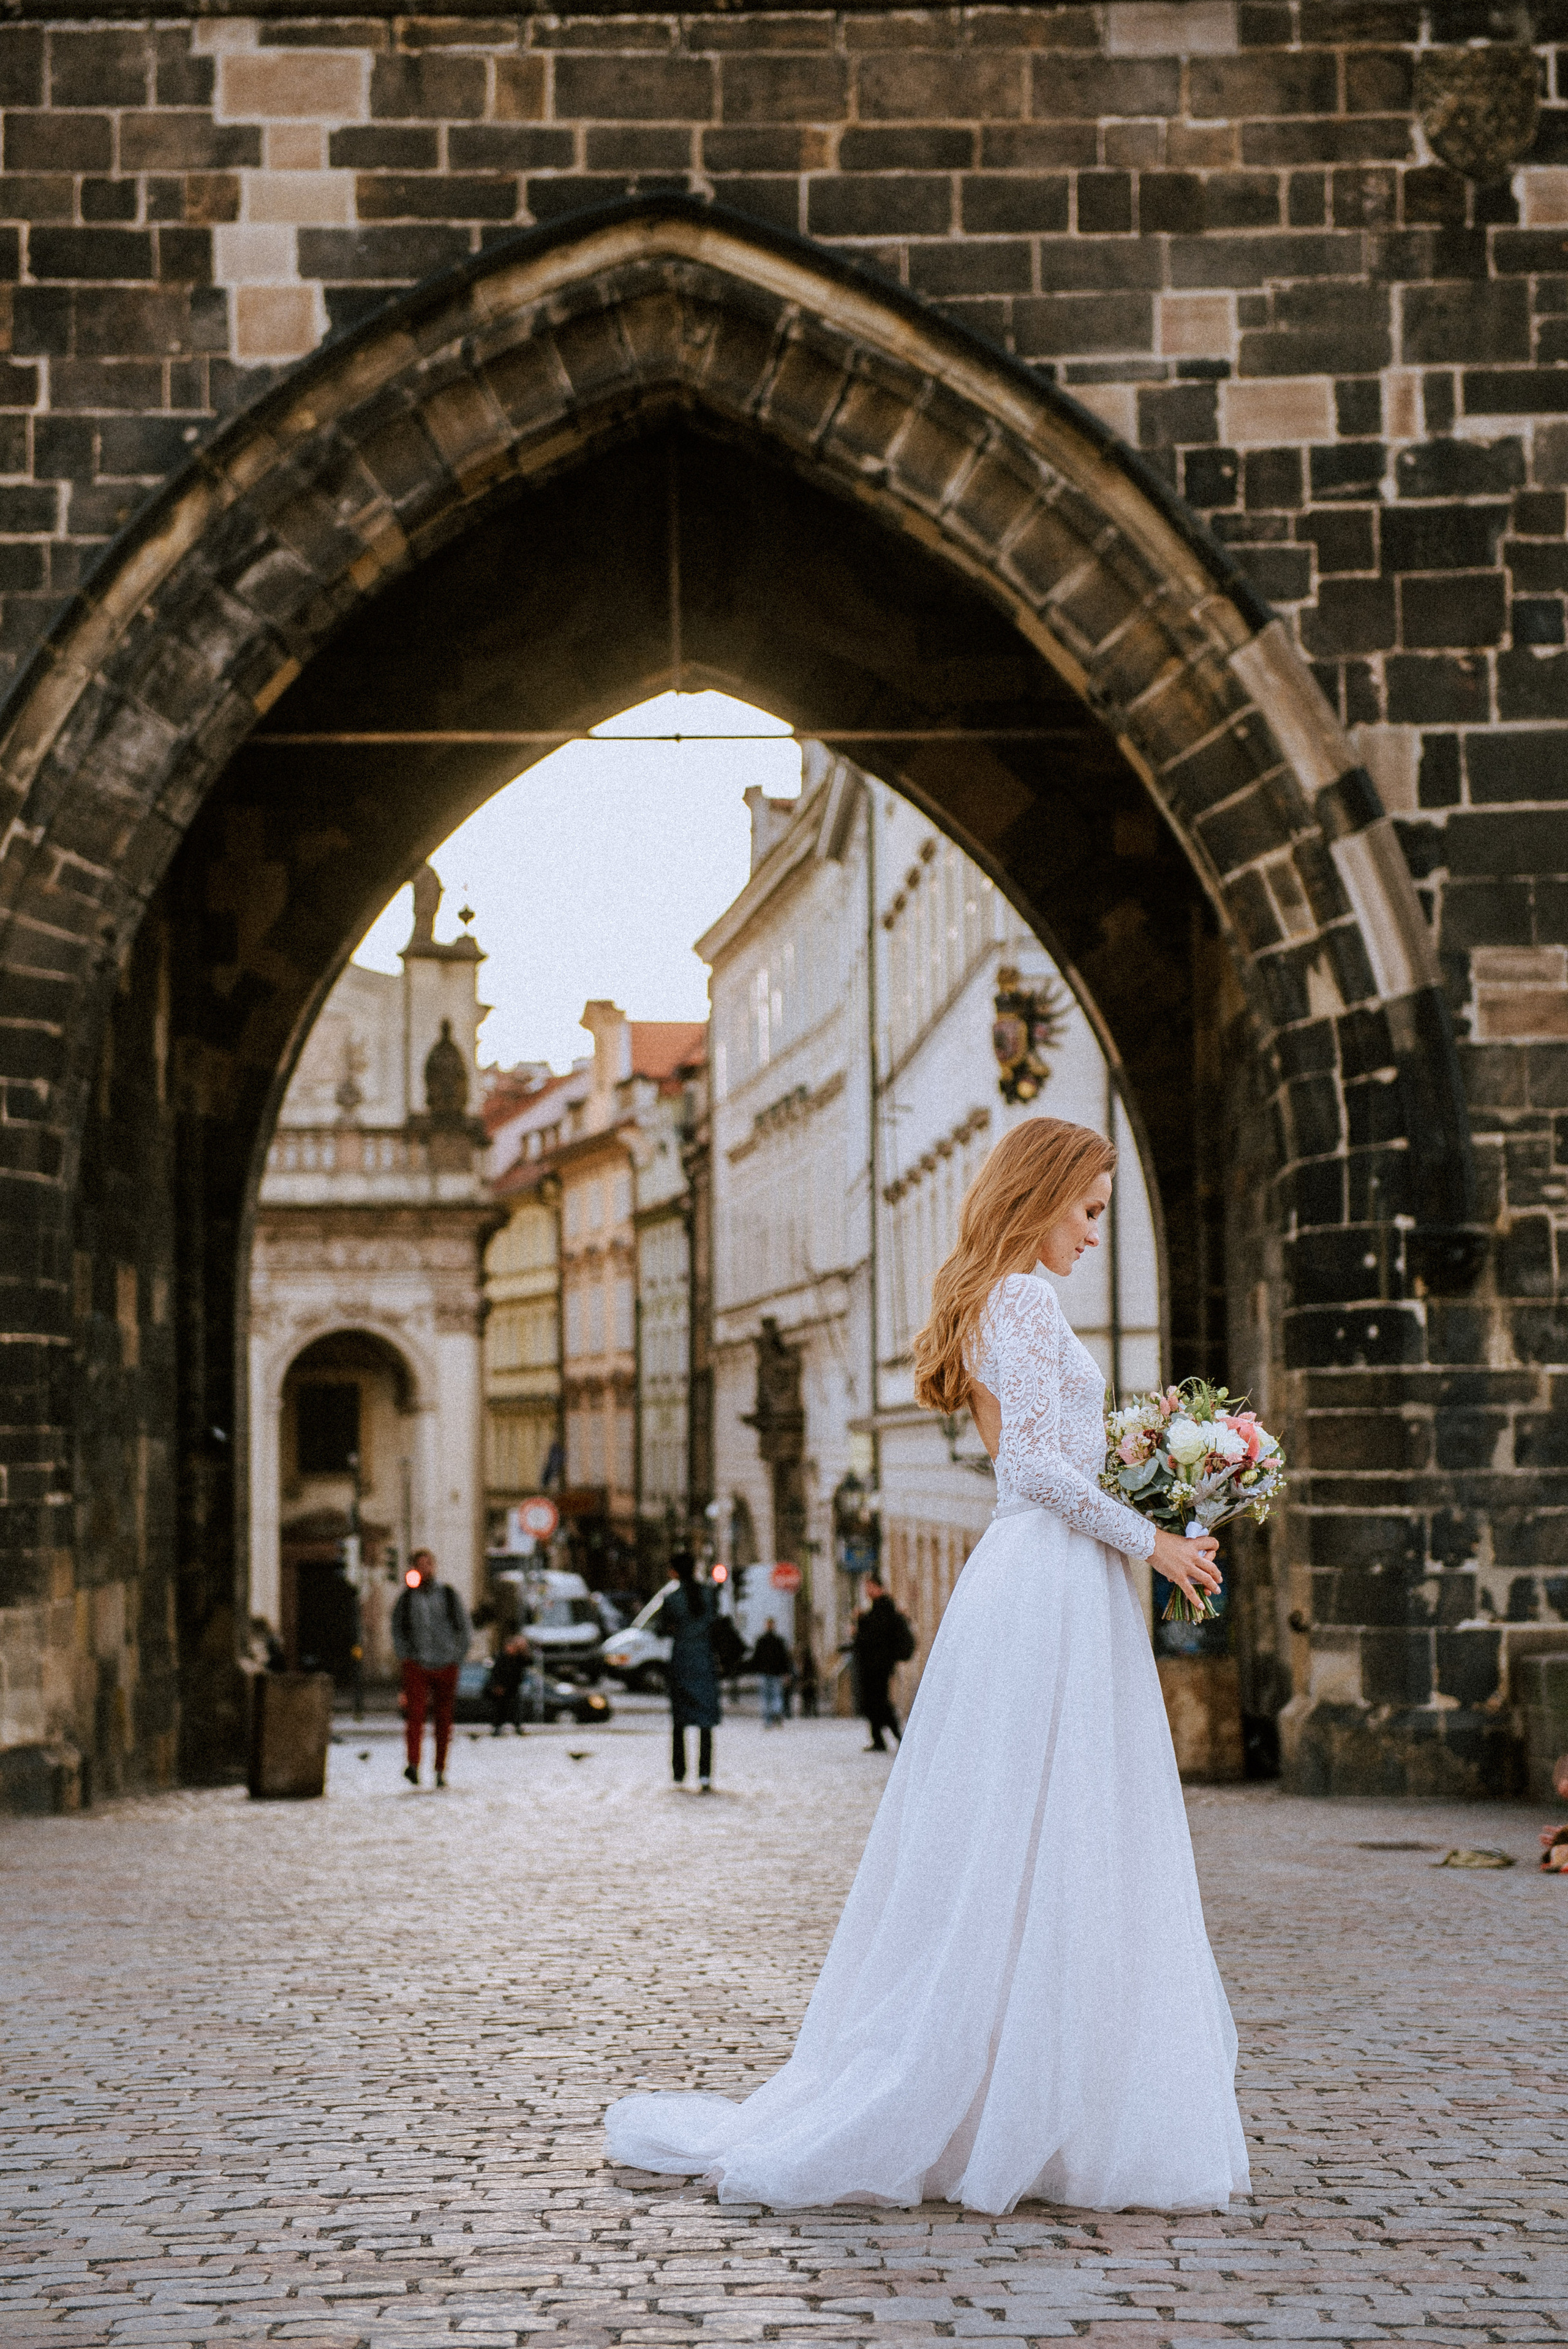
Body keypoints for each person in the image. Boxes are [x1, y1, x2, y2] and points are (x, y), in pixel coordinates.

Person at [606, 1116, 1246, 2217]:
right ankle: (1036, 2104)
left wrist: (1157, 1476)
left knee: (1019, 1826)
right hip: (1052, 1572)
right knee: (1066, 1819)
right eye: (1089, 1209)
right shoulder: (1026, 1298)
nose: (1096, 1232)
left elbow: (1044, 1455)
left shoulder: (994, 1296)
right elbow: (1040, 1466)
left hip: (1036, 1574)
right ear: (1039, 1195)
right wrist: (1160, 1540)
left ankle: (1008, 2089)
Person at [391, 1549, 472, 1788]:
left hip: (447, 1663)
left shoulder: (448, 1595)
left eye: (428, 1564)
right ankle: (414, 1764)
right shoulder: (407, 1598)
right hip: (417, 1663)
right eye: (420, 1565)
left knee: (444, 1720)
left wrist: (458, 1655)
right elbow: (397, 1628)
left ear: (434, 1566)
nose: (425, 1569)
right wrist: (405, 1656)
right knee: (415, 1715)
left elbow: (464, 1626)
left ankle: (440, 1769)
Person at [656, 1549, 721, 1790]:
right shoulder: (709, 1594)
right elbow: (715, 1624)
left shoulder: (671, 1598)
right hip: (704, 1660)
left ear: (674, 1572)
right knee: (706, 1722)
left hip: (682, 1660)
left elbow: (662, 1629)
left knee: (680, 1720)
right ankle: (705, 1774)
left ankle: (679, 1772)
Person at [851, 1577, 912, 1752]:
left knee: (879, 1702)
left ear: (877, 1587)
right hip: (875, 1665)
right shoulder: (879, 1609)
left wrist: (859, 1627)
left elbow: (874, 1638)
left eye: (869, 1587)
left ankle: (898, 1737)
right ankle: (879, 1739)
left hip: (879, 1665)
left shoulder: (883, 1608)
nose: (866, 1591)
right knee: (874, 1702)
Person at [750, 1618, 793, 1728]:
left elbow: (756, 1658)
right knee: (775, 1696)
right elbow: (785, 1658)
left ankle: (769, 1720)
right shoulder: (778, 1641)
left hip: (767, 1673)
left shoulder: (761, 1640)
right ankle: (775, 1717)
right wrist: (786, 1673)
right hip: (775, 1673)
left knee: (767, 1697)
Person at [486, 1632, 530, 1736]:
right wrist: (497, 1686)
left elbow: (528, 1662)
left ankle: (517, 1726)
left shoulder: (519, 1658)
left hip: (513, 1687)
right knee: (500, 1708)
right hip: (502, 1686)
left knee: (515, 1708)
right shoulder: (502, 1657)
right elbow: (496, 1673)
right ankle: (497, 1728)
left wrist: (524, 1649)